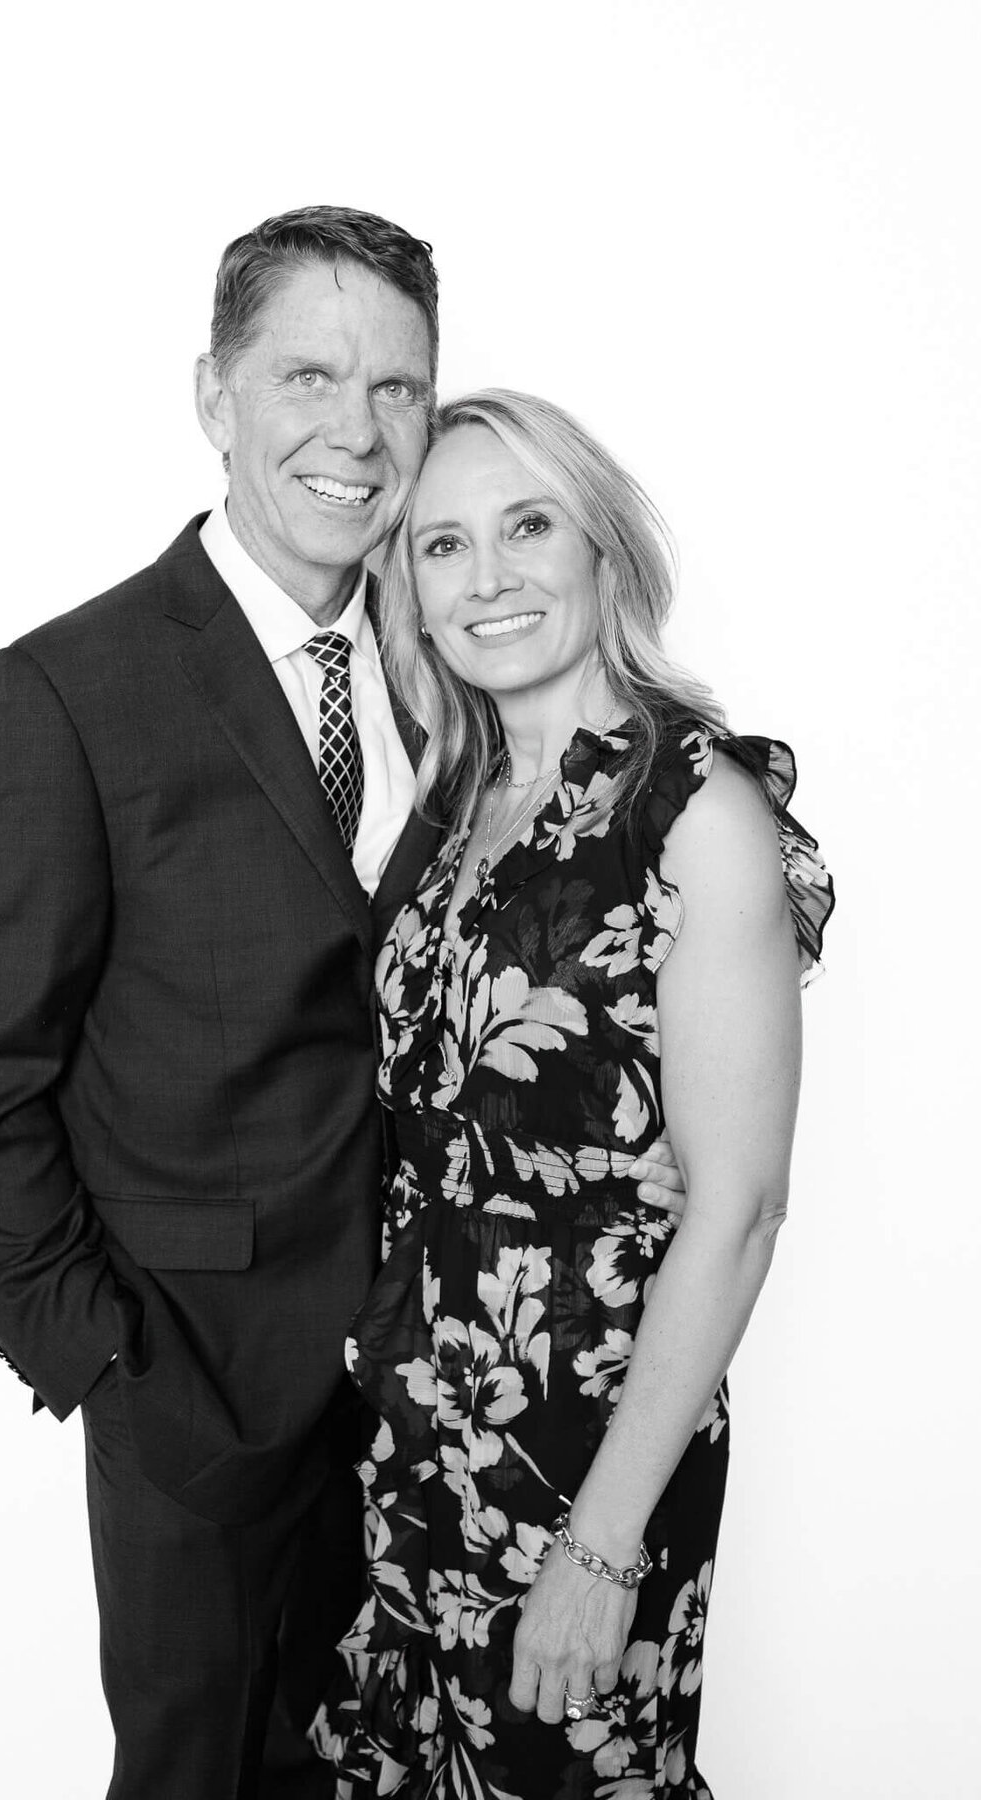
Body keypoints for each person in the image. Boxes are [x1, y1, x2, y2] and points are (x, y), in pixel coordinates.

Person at [0, 212, 686, 1800]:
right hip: (195, 1394)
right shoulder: (70, 690)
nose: (357, 431)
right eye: (306, 377)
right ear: (216, 395)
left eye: (398, 387)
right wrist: (107, 1370)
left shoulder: (451, 664)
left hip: (439, 1402)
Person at [313, 389, 835, 1796]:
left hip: (582, 1460)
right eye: (440, 545)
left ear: (601, 548)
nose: (488, 576)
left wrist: (602, 1550)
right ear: (405, 588)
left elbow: (736, 1211)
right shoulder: (449, 803)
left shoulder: (695, 814)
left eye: (527, 525)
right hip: (413, 1446)